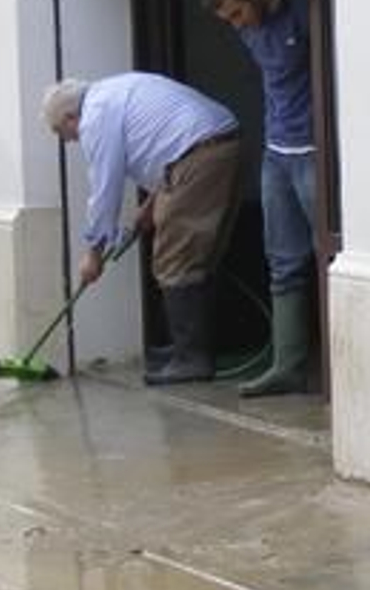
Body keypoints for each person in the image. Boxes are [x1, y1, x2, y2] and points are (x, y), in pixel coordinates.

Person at [42, 73, 242, 386]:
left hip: (200, 154)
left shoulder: (95, 117)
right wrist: (148, 209)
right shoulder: (114, 91)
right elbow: (165, 145)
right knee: (191, 254)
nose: (68, 140)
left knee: (174, 258)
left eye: (61, 131)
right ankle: (187, 348)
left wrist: (93, 253)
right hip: (212, 144)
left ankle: (192, 359)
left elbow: (105, 188)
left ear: (71, 116)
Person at [201, 0, 317, 398]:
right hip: (278, 151)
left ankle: (342, 365)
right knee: (282, 260)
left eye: (237, 14)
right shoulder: (247, 30)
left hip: (313, 150)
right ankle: (287, 365)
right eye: (228, 20)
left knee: (328, 253)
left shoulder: (304, 11)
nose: (236, 26)